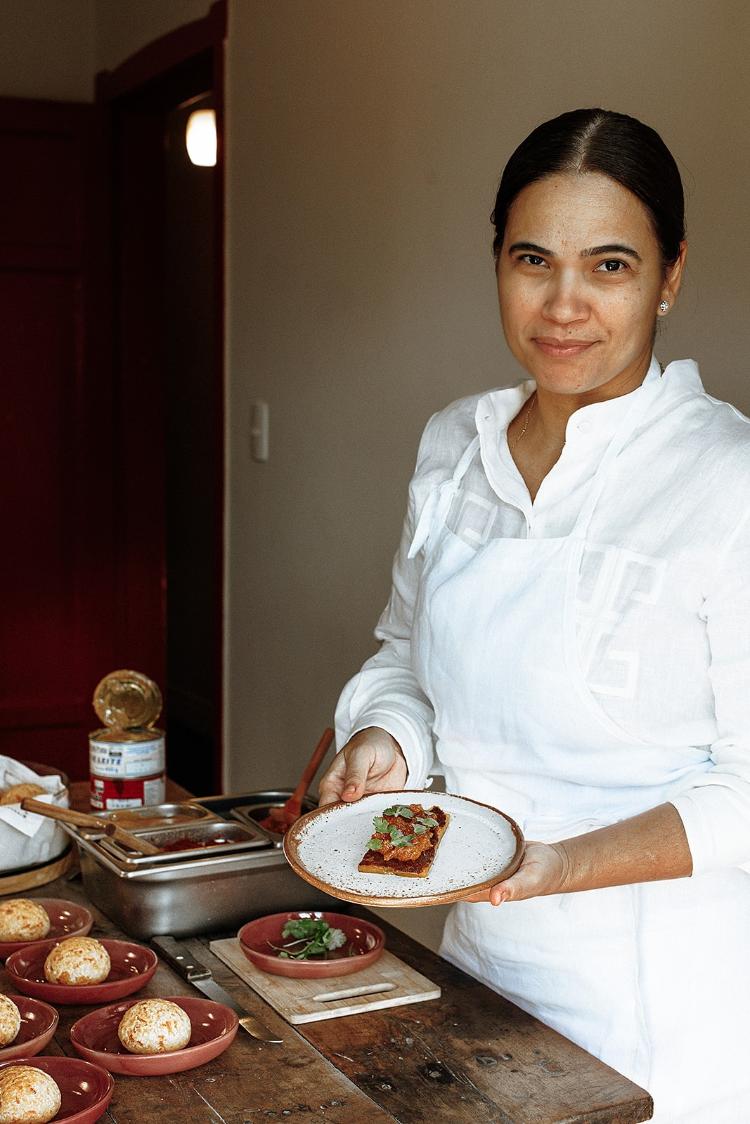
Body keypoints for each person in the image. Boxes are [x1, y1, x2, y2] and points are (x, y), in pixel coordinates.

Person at [318, 108, 750, 1122]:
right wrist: (386, 735)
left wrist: (559, 863)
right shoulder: (452, 447)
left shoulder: (726, 480)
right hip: (481, 963)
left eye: (609, 265)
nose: (564, 305)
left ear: (670, 274)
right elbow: (402, 655)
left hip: (666, 1010)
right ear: (497, 262)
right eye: (532, 259)